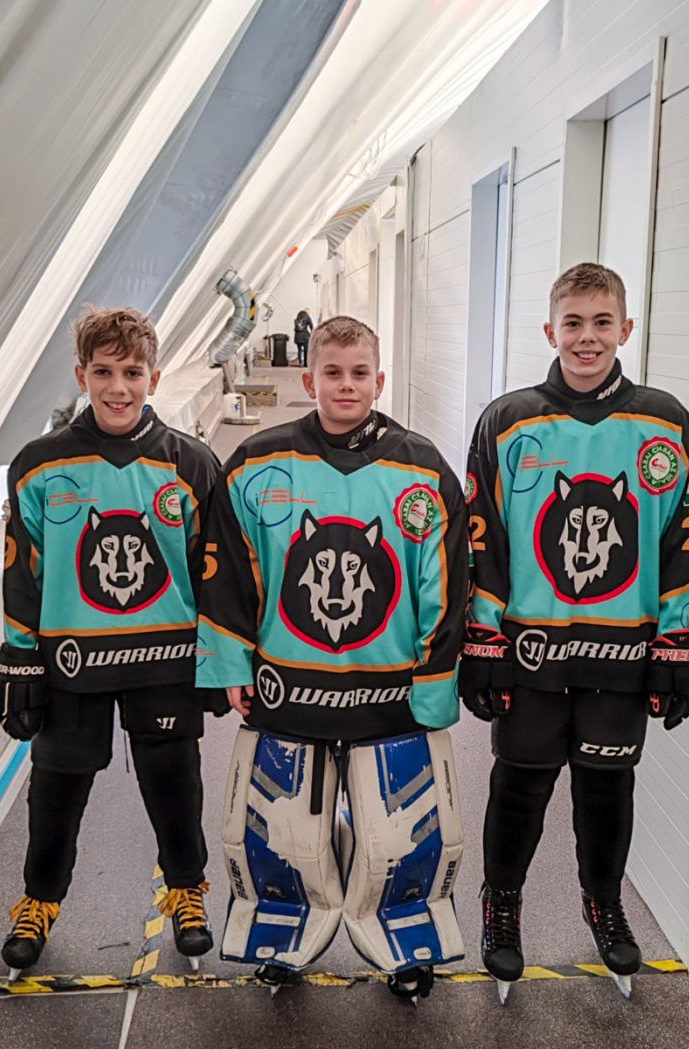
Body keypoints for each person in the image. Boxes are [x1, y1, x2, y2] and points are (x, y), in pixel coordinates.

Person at [196, 315, 468, 1001]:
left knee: (401, 833)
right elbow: (229, 573)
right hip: (289, 687)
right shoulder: (256, 463)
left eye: (359, 373)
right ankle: (282, 935)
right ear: (309, 377)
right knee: (284, 832)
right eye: (333, 372)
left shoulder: (421, 468)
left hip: (390, 693)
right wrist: (232, 666)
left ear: (380, 379)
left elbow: (446, 585)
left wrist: (435, 683)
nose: (347, 385)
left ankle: (405, 943)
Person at [460, 262, 689, 1003]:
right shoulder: (507, 420)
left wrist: (676, 643)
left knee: (605, 788)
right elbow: (484, 539)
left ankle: (604, 903)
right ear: (550, 329)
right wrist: (483, 640)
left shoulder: (664, 421)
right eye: (573, 322)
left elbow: (679, 537)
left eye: (602, 322)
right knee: (520, 785)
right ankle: (502, 907)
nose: (587, 337)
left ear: (625, 329)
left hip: (621, 654)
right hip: (531, 651)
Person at [0, 306, 227, 978]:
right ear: (81, 376)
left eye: (132, 372)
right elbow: (23, 571)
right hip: (71, 663)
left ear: (154, 377)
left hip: (164, 662)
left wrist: (220, 657)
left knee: (174, 783)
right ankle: (39, 902)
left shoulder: (190, 463)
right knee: (56, 791)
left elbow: (215, 574)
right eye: (103, 372)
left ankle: (186, 890)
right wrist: (18, 657)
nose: (118, 387)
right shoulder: (40, 465)